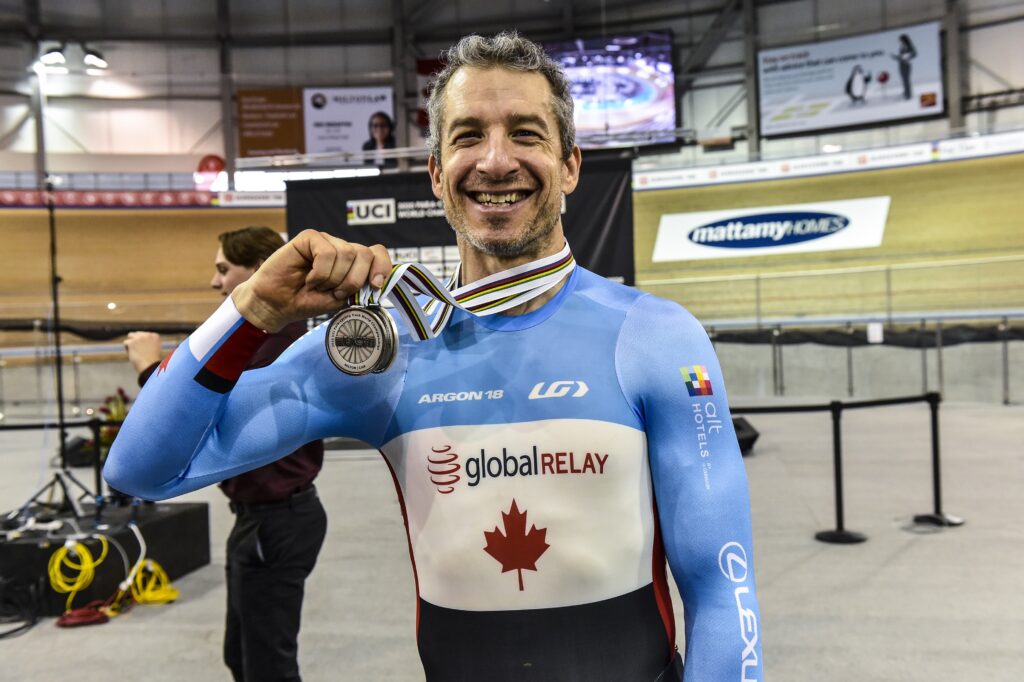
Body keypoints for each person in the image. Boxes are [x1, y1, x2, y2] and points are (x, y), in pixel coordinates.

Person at [106, 33, 761, 682]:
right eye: (468, 135)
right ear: (435, 173)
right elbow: (144, 469)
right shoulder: (379, 352)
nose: (496, 160)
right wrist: (249, 311)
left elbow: (722, 592)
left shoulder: (655, 337)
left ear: (570, 166)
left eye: (527, 134)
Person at [122, 226, 327, 682]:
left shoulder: (277, 344)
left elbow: (215, 415)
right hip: (260, 517)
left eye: (223, 269)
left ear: (260, 271)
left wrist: (150, 371)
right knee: (243, 657)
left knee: (267, 667)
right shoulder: (257, 340)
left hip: (278, 520)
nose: (215, 283)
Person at [892, 33, 917, 100]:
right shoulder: (902, 47)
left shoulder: (909, 46)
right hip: (901, 65)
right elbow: (901, 57)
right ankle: (906, 92)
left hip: (907, 65)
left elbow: (914, 53)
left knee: (906, 80)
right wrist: (895, 57)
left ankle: (908, 95)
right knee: (904, 80)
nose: (899, 41)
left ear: (904, 40)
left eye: (900, 40)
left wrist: (906, 56)